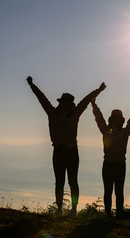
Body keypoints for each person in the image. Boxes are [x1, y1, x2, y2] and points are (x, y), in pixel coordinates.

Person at [26, 76, 106, 216]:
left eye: (67, 102)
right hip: (58, 151)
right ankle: (59, 209)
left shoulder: (74, 114)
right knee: (59, 181)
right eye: (63, 102)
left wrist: (98, 91)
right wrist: (32, 86)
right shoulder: (52, 113)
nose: (64, 104)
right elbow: (42, 99)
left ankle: (73, 209)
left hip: (71, 151)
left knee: (73, 181)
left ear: (70, 104)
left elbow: (85, 101)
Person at [91, 98, 130, 217]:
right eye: (114, 119)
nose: (116, 121)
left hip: (119, 164)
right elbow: (99, 119)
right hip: (108, 163)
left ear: (121, 120)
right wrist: (94, 106)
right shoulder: (106, 131)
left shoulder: (125, 132)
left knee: (119, 191)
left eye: (118, 119)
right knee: (108, 190)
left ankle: (119, 213)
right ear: (111, 120)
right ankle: (108, 213)